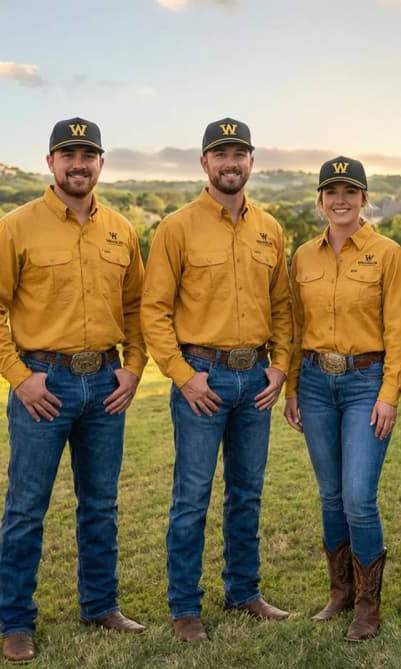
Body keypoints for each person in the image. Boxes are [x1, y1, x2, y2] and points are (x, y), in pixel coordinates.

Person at [0, 117, 148, 664]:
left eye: (88, 155)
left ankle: (100, 605)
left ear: (101, 163)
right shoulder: (16, 227)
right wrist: (19, 377)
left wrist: (133, 368)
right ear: (50, 162)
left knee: (101, 505)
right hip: (43, 385)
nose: (79, 164)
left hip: (106, 384)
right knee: (27, 508)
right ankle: (16, 622)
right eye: (68, 155)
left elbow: (136, 307)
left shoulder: (120, 230)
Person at [140, 117, 294, 642]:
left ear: (251, 161)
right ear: (204, 162)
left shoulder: (270, 228)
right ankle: (185, 607)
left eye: (239, 153)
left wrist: (280, 366)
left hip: (256, 379)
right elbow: (154, 311)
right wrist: (184, 377)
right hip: (200, 380)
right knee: (192, 496)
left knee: (247, 493)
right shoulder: (176, 228)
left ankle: (244, 591)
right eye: (221, 154)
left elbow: (282, 307)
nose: (231, 163)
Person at [282, 156, 401, 641]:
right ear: (320, 200)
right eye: (332, 192)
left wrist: (389, 393)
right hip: (316, 383)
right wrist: (293, 387)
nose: (341, 200)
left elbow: (399, 329)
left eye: (350, 192)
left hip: (365, 383)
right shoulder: (303, 257)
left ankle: (367, 604)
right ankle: (340, 591)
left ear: (364, 199)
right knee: (331, 495)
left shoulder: (388, 254)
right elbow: (295, 327)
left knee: (358, 496)